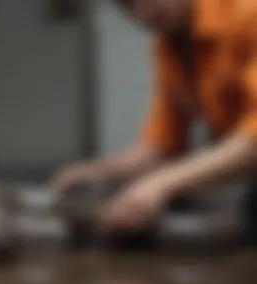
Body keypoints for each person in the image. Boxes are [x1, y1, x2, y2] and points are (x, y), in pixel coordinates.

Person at [52, 0, 257, 231]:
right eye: (128, 6)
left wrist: (160, 184)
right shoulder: (169, 44)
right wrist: (101, 171)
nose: (142, 14)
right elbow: (163, 144)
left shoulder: (248, 13)